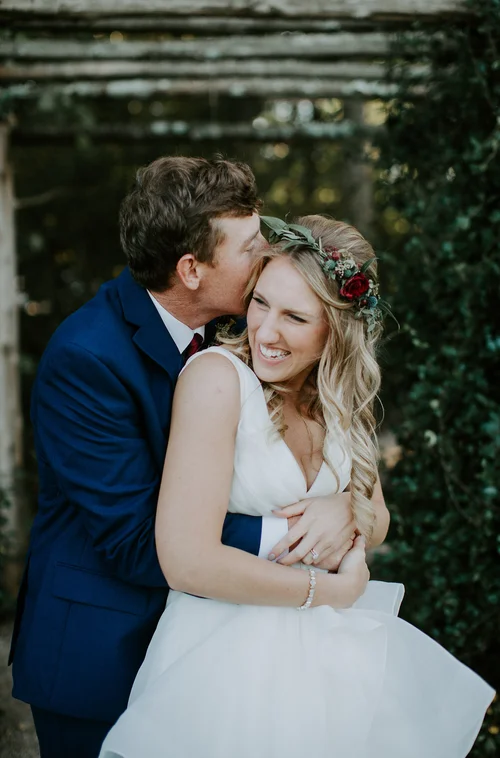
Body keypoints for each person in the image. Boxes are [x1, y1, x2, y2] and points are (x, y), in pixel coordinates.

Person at [100, 214, 494, 758]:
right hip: (227, 663)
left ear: (337, 328)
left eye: (295, 317)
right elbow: (186, 561)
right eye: (260, 303)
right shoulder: (217, 379)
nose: (265, 331)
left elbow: (379, 519)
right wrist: (327, 591)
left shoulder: (340, 398)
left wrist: (346, 508)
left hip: (332, 663)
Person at [9, 159, 356, 758]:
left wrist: (345, 505)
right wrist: (302, 535)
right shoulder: (86, 359)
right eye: (249, 246)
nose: (267, 253)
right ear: (191, 269)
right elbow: (133, 539)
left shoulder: (249, 329)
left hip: (219, 650)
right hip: (104, 648)